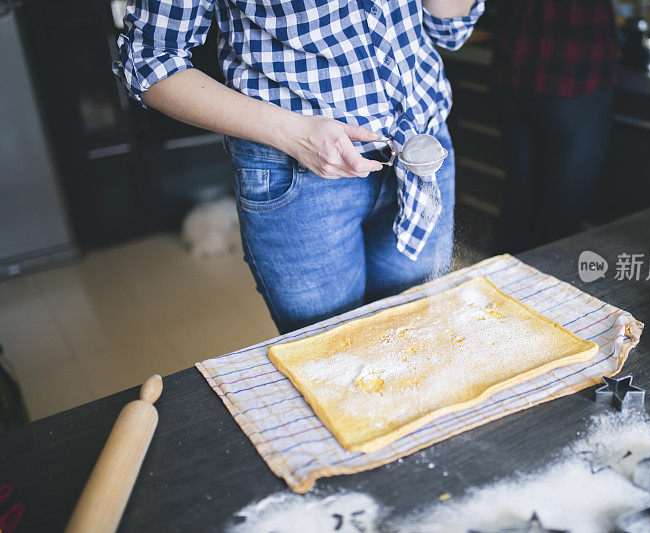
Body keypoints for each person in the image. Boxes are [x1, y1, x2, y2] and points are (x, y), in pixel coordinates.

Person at [115, 0, 485, 333]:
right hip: (297, 174)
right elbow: (150, 62)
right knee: (336, 357)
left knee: (423, 338)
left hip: (423, 151)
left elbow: (447, 30)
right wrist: (294, 134)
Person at [493, 0, 617, 253]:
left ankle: (498, 287)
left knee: (520, 199)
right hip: (573, 74)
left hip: (515, 69)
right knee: (561, 212)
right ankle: (542, 288)